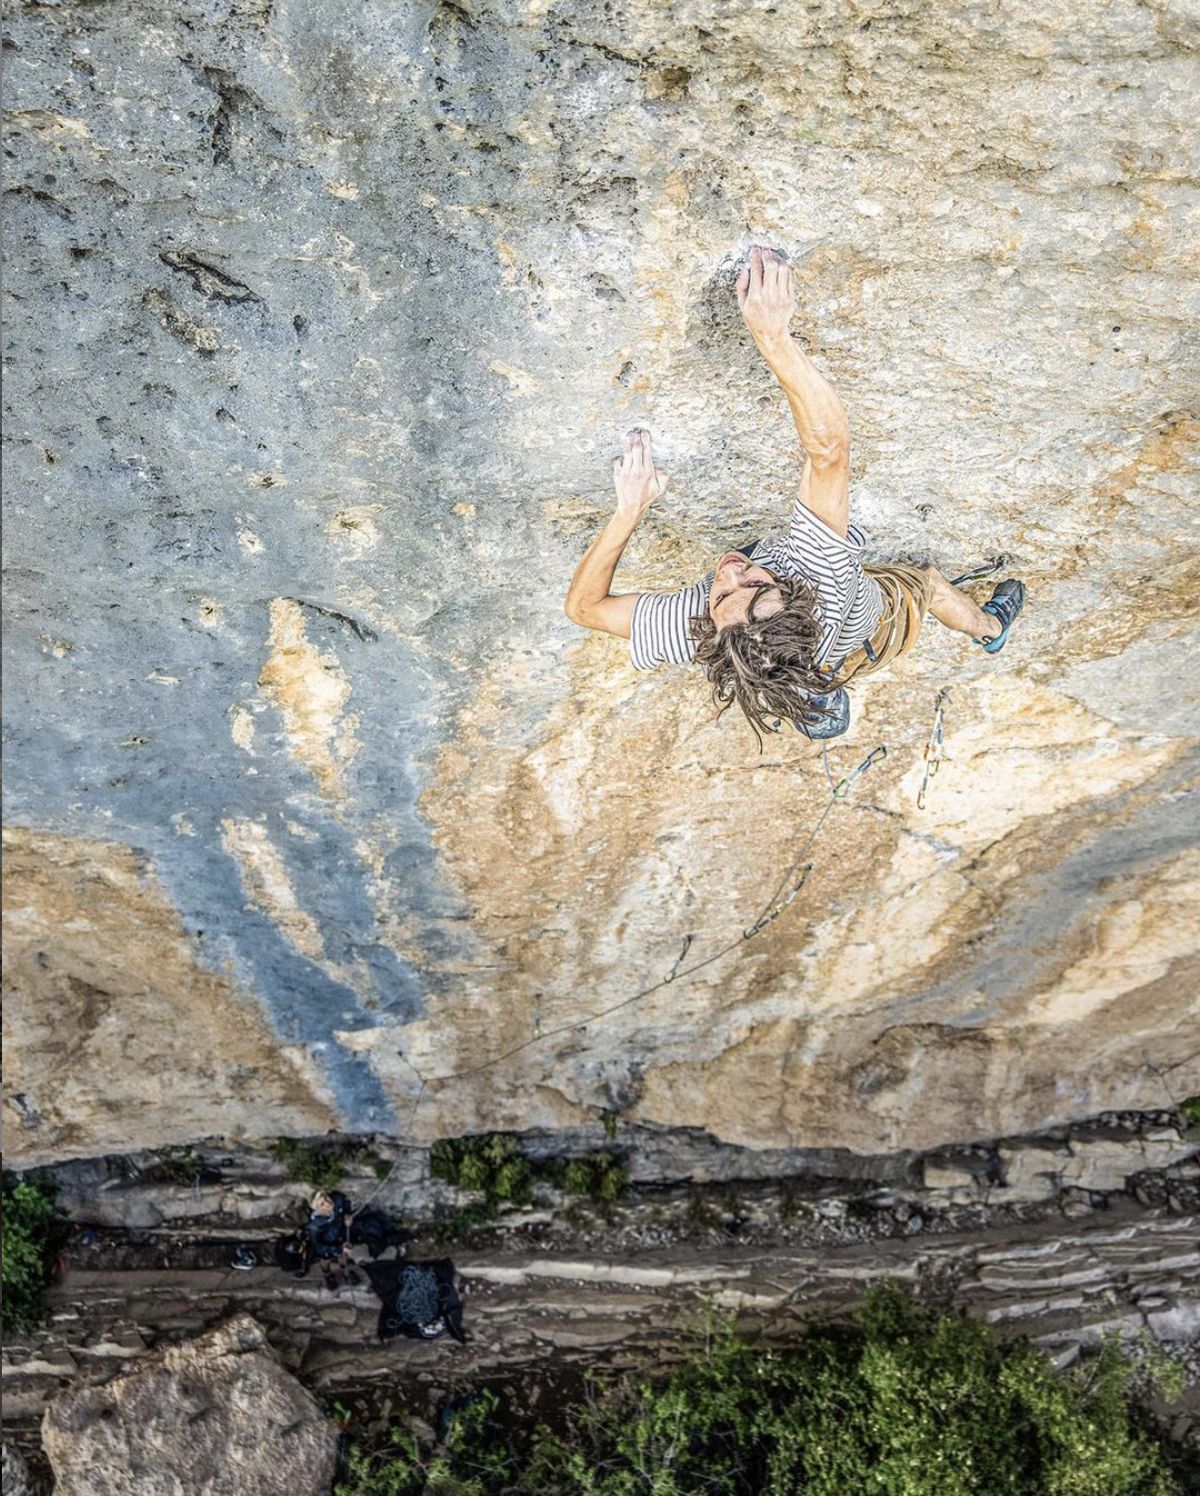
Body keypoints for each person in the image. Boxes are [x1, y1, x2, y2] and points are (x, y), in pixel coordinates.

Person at [564, 246, 1026, 741]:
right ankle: (990, 631)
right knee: (928, 582)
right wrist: (773, 335)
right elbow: (830, 452)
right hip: (872, 626)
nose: (730, 572)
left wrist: (629, 511)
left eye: (721, 595)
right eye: (756, 585)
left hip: (823, 641)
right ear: (796, 596)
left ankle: (808, 689)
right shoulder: (822, 580)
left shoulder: (701, 627)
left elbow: (584, 609)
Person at [305, 1188, 362, 1291]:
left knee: (343, 1256)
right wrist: (338, 1248)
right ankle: (328, 1274)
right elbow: (320, 1247)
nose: (327, 1203)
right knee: (325, 1259)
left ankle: (345, 1271)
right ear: (316, 1209)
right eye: (322, 1204)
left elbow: (345, 1203)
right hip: (327, 1244)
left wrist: (347, 1215)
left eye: (326, 1197)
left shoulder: (337, 1198)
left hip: (340, 1234)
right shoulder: (314, 1226)